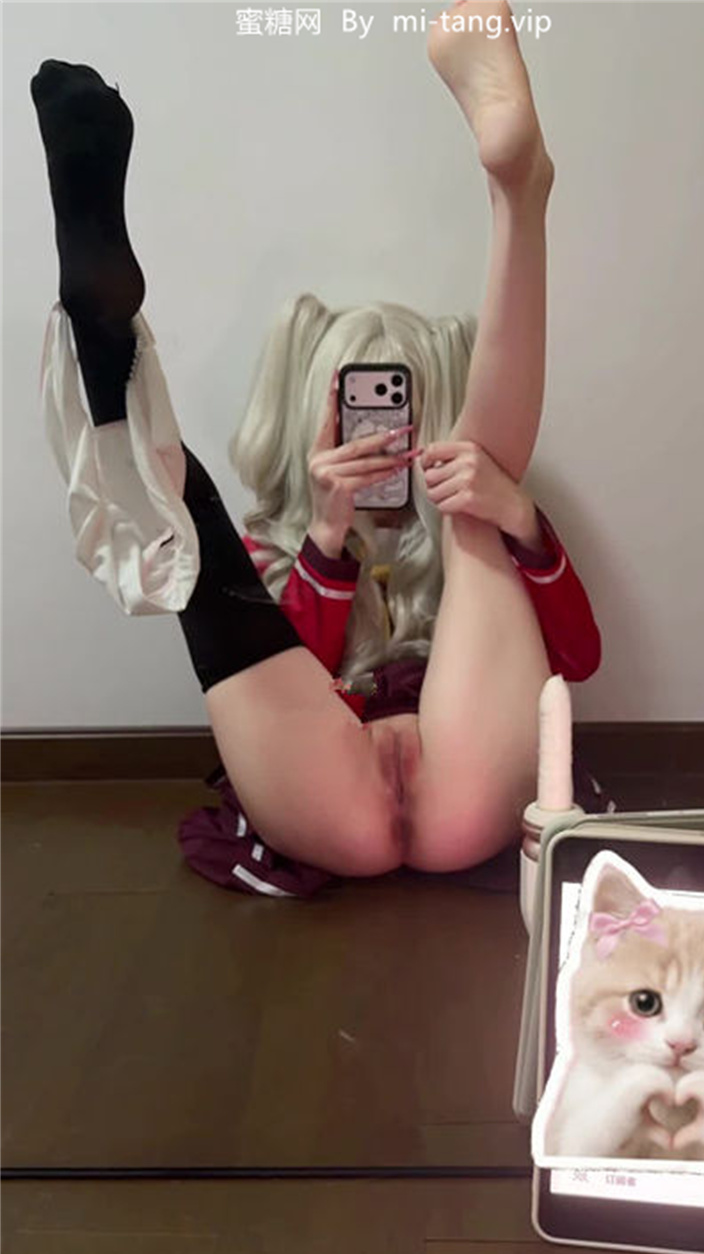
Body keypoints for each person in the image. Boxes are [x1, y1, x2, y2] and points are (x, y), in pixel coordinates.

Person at [31, 0, 611, 900]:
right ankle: (518, 196)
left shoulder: (477, 533)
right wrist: (328, 539)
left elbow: (576, 659)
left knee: (470, 496)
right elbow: (293, 670)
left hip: (447, 770)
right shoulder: (294, 544)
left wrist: (518, 516)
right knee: (204, 557)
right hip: (343, 777)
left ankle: (104, 336)